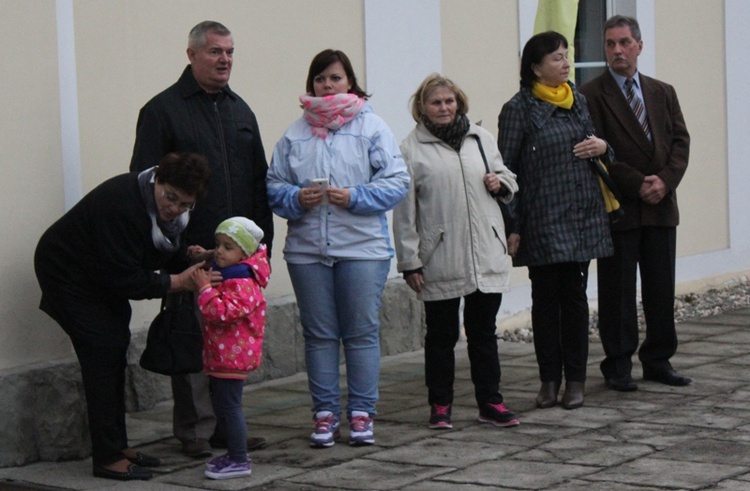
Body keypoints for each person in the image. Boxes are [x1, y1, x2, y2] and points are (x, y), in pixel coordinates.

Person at [129, 20, 273, 458]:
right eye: (215, 51)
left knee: (230, 343)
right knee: (193, 341)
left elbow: (258, 181)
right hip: (188, 250)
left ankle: (227, 427)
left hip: (239, 258)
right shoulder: (162, 111)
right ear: (191, 55)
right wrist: (169, 250)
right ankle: (194, 429)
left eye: (229, 52)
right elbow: (144, 186)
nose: (225, 59)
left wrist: (261, 248)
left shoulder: (240, 111)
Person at [34, 153, 212, 481]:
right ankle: (106, 457)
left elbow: (161, 253)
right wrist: (178, 282)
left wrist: (192, 258)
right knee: (102, 352)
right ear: (157, 178)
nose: (174, 209)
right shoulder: (123, 204)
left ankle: (117, 445)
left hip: (99, 275)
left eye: (185, 204)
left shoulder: (171, 216)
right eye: (170, 197)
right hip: (67, 275)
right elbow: (125, 278)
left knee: (116, 346)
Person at [266, 49, 409, 448]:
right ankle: (325, 414)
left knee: (361, 333)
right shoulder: (294, 133)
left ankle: (362, 413)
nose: (327, 86)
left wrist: (355, 196)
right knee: (319, 335)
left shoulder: (372, 127)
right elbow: (273, 187)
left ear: (350, 82)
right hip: (307, 251)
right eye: (320, 79)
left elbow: (398, 182)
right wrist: (296, 198)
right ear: (310, 84)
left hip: (363, 248)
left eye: (335, 78)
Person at [393, 74, 520, 430]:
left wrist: (501, 183)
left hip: (485, 253)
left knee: (484, 333)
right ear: (422, 108)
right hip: (440, 257)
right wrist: (410, 261)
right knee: (441, 336)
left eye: (449, 101)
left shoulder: (481, 138)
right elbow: (404, 213)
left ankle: (490, 402)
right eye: (436, 102)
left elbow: (508, 176)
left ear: (459, 103)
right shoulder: (410, 149)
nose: (444, 108)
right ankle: (440, 404)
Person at [497, 31, 614, 410]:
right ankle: (549, 380)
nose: (565, 63)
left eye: (567, 56)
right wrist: (512, 224)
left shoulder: (577, 100)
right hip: (542, 218)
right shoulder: (518, 108)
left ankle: (575, 381)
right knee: (546, 301)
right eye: (556, 58)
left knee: (575, 300)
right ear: (535, 67)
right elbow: (506, 171)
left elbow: (594, 145)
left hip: (581, 214)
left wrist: (602, 146)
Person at [580, 15, 691, 391]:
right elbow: (597, 151)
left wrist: (665, 180)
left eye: (624, 43)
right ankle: (618, 364)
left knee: (661, 288)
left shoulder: (663, 92)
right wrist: (638, 182)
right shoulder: (592, 95)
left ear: (639, 46)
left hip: (661, 204)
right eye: (610, 44)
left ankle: (659, 359)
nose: (617, 51)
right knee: (618, 293)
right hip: (622, 206)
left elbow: (680, 142)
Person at [189, 217, 270, 480]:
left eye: (227, 247)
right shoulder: (233, 273)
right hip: (224, 353)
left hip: (232, 356)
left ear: (244, 253)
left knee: (229, 407)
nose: (220, 252)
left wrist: (204, 289)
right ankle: (235, 454)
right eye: (218, 245)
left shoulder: (242, 281)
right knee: (224, 405)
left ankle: (239, 459)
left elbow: (221, 313)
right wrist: (205, 255)